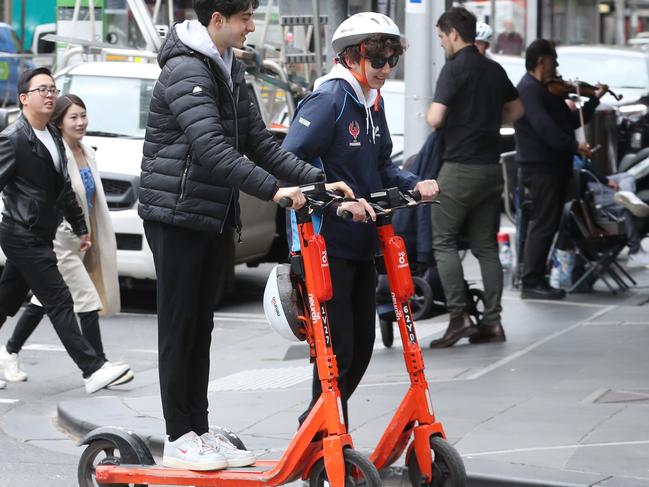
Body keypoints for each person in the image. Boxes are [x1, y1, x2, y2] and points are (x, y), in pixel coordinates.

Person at [139, 0, 352, 471]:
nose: (252, 27)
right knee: (180, 327)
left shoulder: (228, 67)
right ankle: (179, 436)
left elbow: (257, 141)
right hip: (175, 214)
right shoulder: (185, 69)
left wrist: (318, 184)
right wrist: (276, 192)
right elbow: (212, 150)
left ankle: (197, 428)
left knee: (202, 325)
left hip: (212, 214)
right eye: (245, 18)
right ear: (218, 20)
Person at [282, 11, 439, 428]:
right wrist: (330, 196)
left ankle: (319, 428)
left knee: (363, 349)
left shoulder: (372, 101)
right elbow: (289, 161)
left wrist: (414, 182)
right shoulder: (330, 99)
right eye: (378, 60)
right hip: (324, 243)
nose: (386, 69)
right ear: (351, 57)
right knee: (339, 353)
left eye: (392, 60)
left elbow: (380, 166)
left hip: (361, 242)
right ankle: (326, 439)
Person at [0, 67, 130, 394]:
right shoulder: (14, 139)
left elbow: (63, 191)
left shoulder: (54, 137)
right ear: (24, 98)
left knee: (6, 301)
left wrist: (81, 226)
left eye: (52, 89)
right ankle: (93, 369)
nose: (49, 95)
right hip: (22, 233)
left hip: (40, 232)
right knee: (59, 299)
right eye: (42, 89)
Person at [426, 6, 523, 347]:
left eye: (441, 37)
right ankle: (492, 323)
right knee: (485, 245)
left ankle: (459, 317)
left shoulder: (454, 70)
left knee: (443, 239)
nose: (441, 43)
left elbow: (435, 119)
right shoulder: (493, 68)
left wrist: (436, 113)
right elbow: (517, 109)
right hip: (491, 168)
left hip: (460, 167)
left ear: (454, 33)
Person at [514, 39, 608, 299]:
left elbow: (568, 120)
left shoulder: (545, 89)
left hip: (553, 165)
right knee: (543, 223)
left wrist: (593, 101)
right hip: (541, 167)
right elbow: (545, 128)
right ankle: (531, 281)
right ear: (541, 61)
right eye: (554, 61)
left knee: (549, 222)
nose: (556, 67)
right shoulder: (529, 89)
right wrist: (575, 146)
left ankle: (536, 277)